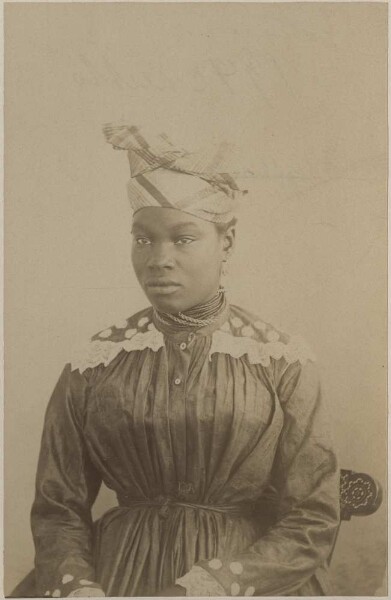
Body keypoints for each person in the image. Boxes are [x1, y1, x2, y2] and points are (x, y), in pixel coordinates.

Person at [27, 124, 339, 597]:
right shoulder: (95, 363)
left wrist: (216, 584)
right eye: (143, 239)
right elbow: (57, 509)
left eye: (183, 239)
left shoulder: (280, 361)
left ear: (226, 243)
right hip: (113, 578)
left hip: (242, 581)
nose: (159, 259)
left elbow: (313, 517)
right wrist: (79, 587)